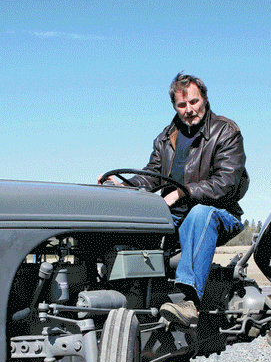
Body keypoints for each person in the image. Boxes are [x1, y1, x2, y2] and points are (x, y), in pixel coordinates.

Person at [98, 73, 248, 327]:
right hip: (175, 217)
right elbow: (152, 178)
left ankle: (189, 302)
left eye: (194, 102)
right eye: (182, 105)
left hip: (219, 212)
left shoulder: (225, 132)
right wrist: (124, 186)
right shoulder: (166, 138)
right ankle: (127, 295)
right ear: (174, 106)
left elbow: (227, 182)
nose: (189, 110)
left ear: (205, 99)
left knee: (200, 213)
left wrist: (182, 192)